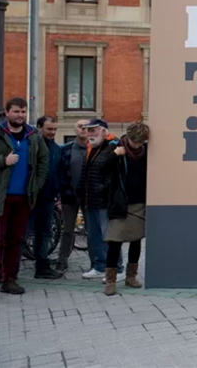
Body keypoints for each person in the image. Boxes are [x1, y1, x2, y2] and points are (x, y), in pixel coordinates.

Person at [0, 98, 49, 294]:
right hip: (0, 197)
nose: (20, 115)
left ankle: (10, 279)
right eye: (17, 111)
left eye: (23, 112)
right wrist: (3, 160)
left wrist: (37, 185)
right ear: (7, 112)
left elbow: (43, 161)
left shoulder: (33, 135)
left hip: (24, 198)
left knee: (16, 239)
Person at [105, 122, 150, 296]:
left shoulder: (146, 152)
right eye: (134, 141)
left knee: (136, 240)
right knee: (115, 241)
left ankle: (131, 276)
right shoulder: (116, 148)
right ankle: (110, 280)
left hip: (139, 202)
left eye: (140, 142)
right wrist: (114, 156)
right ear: (128, 137)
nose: (137, 145)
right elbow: (100, 169)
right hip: (120, 203)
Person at [78, 119, 124, 280]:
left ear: (104, 131)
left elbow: (106, 167)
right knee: (94, 237)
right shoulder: (92, 148)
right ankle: (99, 266)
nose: (90, 134)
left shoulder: (112, 146)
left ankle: (117, 269)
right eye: (89, 131)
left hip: (105, 200)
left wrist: (100, 189)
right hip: (90, 199)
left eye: (94, 130)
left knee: (110, 237)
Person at [29, 115, 64, 279]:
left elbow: (58, 172)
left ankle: (42, 267)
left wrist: (58, 193)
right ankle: (5, 270)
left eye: (55, 129)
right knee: (22, 234)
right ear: (39, 127)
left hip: (48, 199)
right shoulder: (31, 145)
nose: (53, 132)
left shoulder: (56, 149)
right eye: (49, 129)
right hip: (30, 198)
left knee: (45, 234)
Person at [57, 119, 91, 273]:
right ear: (75, 129)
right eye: (80, 127)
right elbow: (60, 173)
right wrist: (60, 195)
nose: (83, 129)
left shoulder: (95, 149)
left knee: (92, 231)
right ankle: (62, 260)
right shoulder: (66, 149)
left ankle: (96, 262)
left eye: (86, 127)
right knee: (67, 230)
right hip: (69, 196)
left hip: (89, 197)